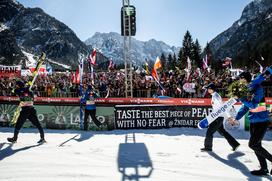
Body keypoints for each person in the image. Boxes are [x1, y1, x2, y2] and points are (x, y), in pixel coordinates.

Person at [229, 68, 272, 176]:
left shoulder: (258, 88)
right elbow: (245, 108)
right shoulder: (246, 90)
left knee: (253, 144)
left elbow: (254, 105)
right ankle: (264, 168)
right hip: (253, 121)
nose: (239, 81)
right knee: (257, 145)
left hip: (262, 121)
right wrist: (236, 118)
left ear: (246, 79)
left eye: (241, 78)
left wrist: (242, 98)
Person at [201, 83, 240, 152]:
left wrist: (229, 117)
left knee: (209, 132)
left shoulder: (216, 97)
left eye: (208, 89)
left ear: (212, 89)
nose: (207, 90)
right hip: (217, 117)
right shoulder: (214, 96)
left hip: (217, 118)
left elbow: (223, 108)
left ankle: (208, 147)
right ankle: (235, 144)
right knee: (222, 132)